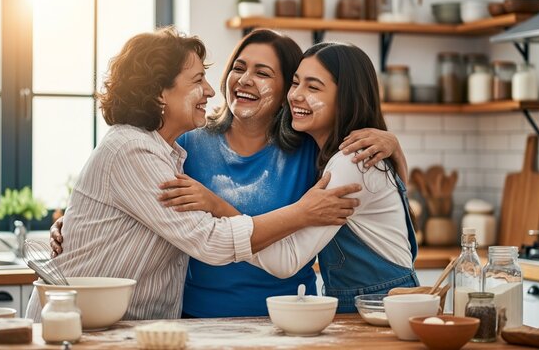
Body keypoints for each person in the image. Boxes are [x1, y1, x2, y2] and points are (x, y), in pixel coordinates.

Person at [51, 30, 406, 318]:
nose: (245, 80)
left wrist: (393, 145)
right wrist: (76, 223)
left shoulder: (311, 149)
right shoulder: (184, 144)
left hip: (285, 318)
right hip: (196, 318)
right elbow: (129, 194)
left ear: (285, 92)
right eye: (239, 67)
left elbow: (385, 200)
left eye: (263, 73)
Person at [252, 42, 419, 312]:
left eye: (313, 87)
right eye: (295, 83)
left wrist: (218, 211)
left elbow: (287, 261)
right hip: (373, 307)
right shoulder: (350, 157)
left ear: (346, 97)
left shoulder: (352, 162)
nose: (295, 95)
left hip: (379, 311)